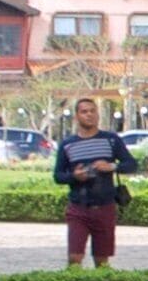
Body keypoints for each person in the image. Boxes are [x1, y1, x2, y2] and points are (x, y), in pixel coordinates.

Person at [52, 98, 132, 269]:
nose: (89, 115)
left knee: (102, 260)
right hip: (78, 207)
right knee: (74, 257)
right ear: (77, 116)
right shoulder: (68, 145)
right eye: (84, 111)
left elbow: (131, 164)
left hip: (105, 206)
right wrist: (75, 176)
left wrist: (111, 166)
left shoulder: (111, 140)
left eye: (92, 111)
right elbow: (58, 176)